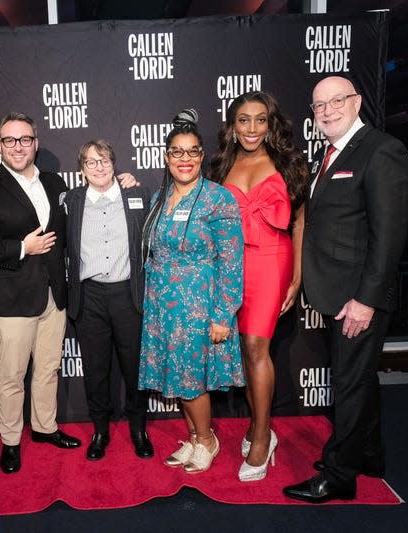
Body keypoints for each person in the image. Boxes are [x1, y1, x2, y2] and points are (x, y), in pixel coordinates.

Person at [283, 76, 408, 503]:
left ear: (357, 102)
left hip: (358, 298)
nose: (327, 111)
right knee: (358, 380)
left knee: (350, 384)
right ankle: (369, 456)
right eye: (319, 105)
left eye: (337, 101)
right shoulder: (331, 152)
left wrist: (366, 300)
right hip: (335, 293)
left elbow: (388, 236)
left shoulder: (381, 151)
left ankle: (339, 477)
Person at [0, 112, 81, 474]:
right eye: (10, 140)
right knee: (11, 374)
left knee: (48, 368)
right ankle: (10, 441)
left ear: (36, 143)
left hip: (53, 293)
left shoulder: (56, 184)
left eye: (25, 139)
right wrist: (22, 247)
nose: (18, 146)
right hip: (10, 297)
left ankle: (44, 427)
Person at [208, 91, 308, 481]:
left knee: (254, 346)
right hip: (231, 267)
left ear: (271, 124)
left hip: (272, 261)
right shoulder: (221, 165)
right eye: (243, 120)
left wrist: (297, 277)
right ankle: (255, 423)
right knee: (240, 353)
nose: (252, 128)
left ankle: (264, 436)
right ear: (233, 126)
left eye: (260, 119)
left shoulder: (287, 164)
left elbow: (299, 222)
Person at [138, 109, 245, 473]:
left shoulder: (218, 199)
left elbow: (232, 262)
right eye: (177, 152)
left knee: (190, 380)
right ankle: (196, 438)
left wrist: (222, 315)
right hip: (163, 307)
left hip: (199, 307)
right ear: (166, 157)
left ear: (202, 155)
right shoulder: (158, 198)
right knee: (179, 379)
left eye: (193, 151)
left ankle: (208, 440)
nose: (185, 159)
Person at [63, 140, 153, 461]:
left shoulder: (137, 195)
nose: (99, 168)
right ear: (82, 169)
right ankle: (100, 431)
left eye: (104, 161)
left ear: (114, 164)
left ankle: (138, 429)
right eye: (91, 162)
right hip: (89, 297)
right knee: (96, 368)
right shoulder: (71, 201)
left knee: (134, 368)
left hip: (127, 294)